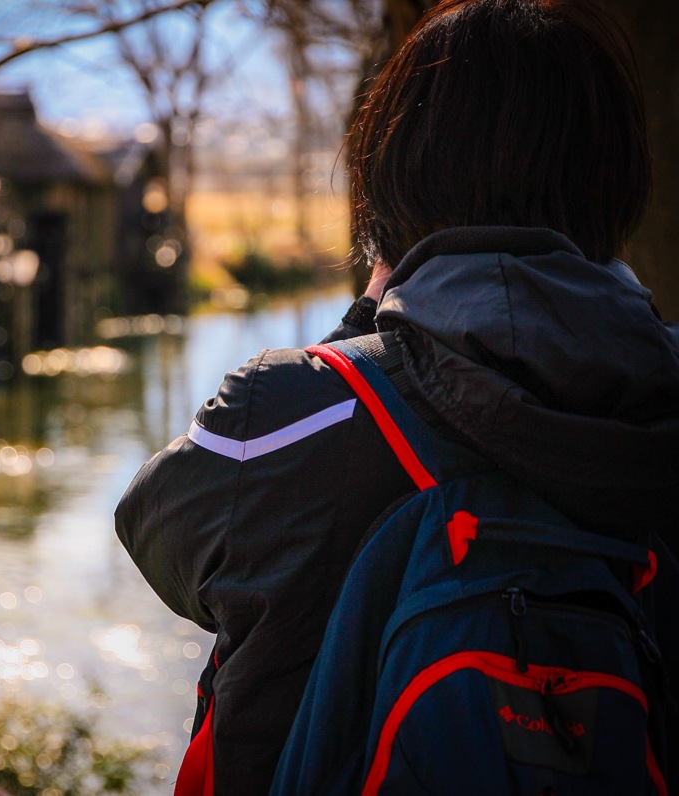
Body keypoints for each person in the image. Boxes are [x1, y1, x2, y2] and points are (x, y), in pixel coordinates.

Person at [115, 0, 679, 793]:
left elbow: (150, 532)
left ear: (391, 170)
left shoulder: (284, 416)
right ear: (618, 179)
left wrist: (365, 322)